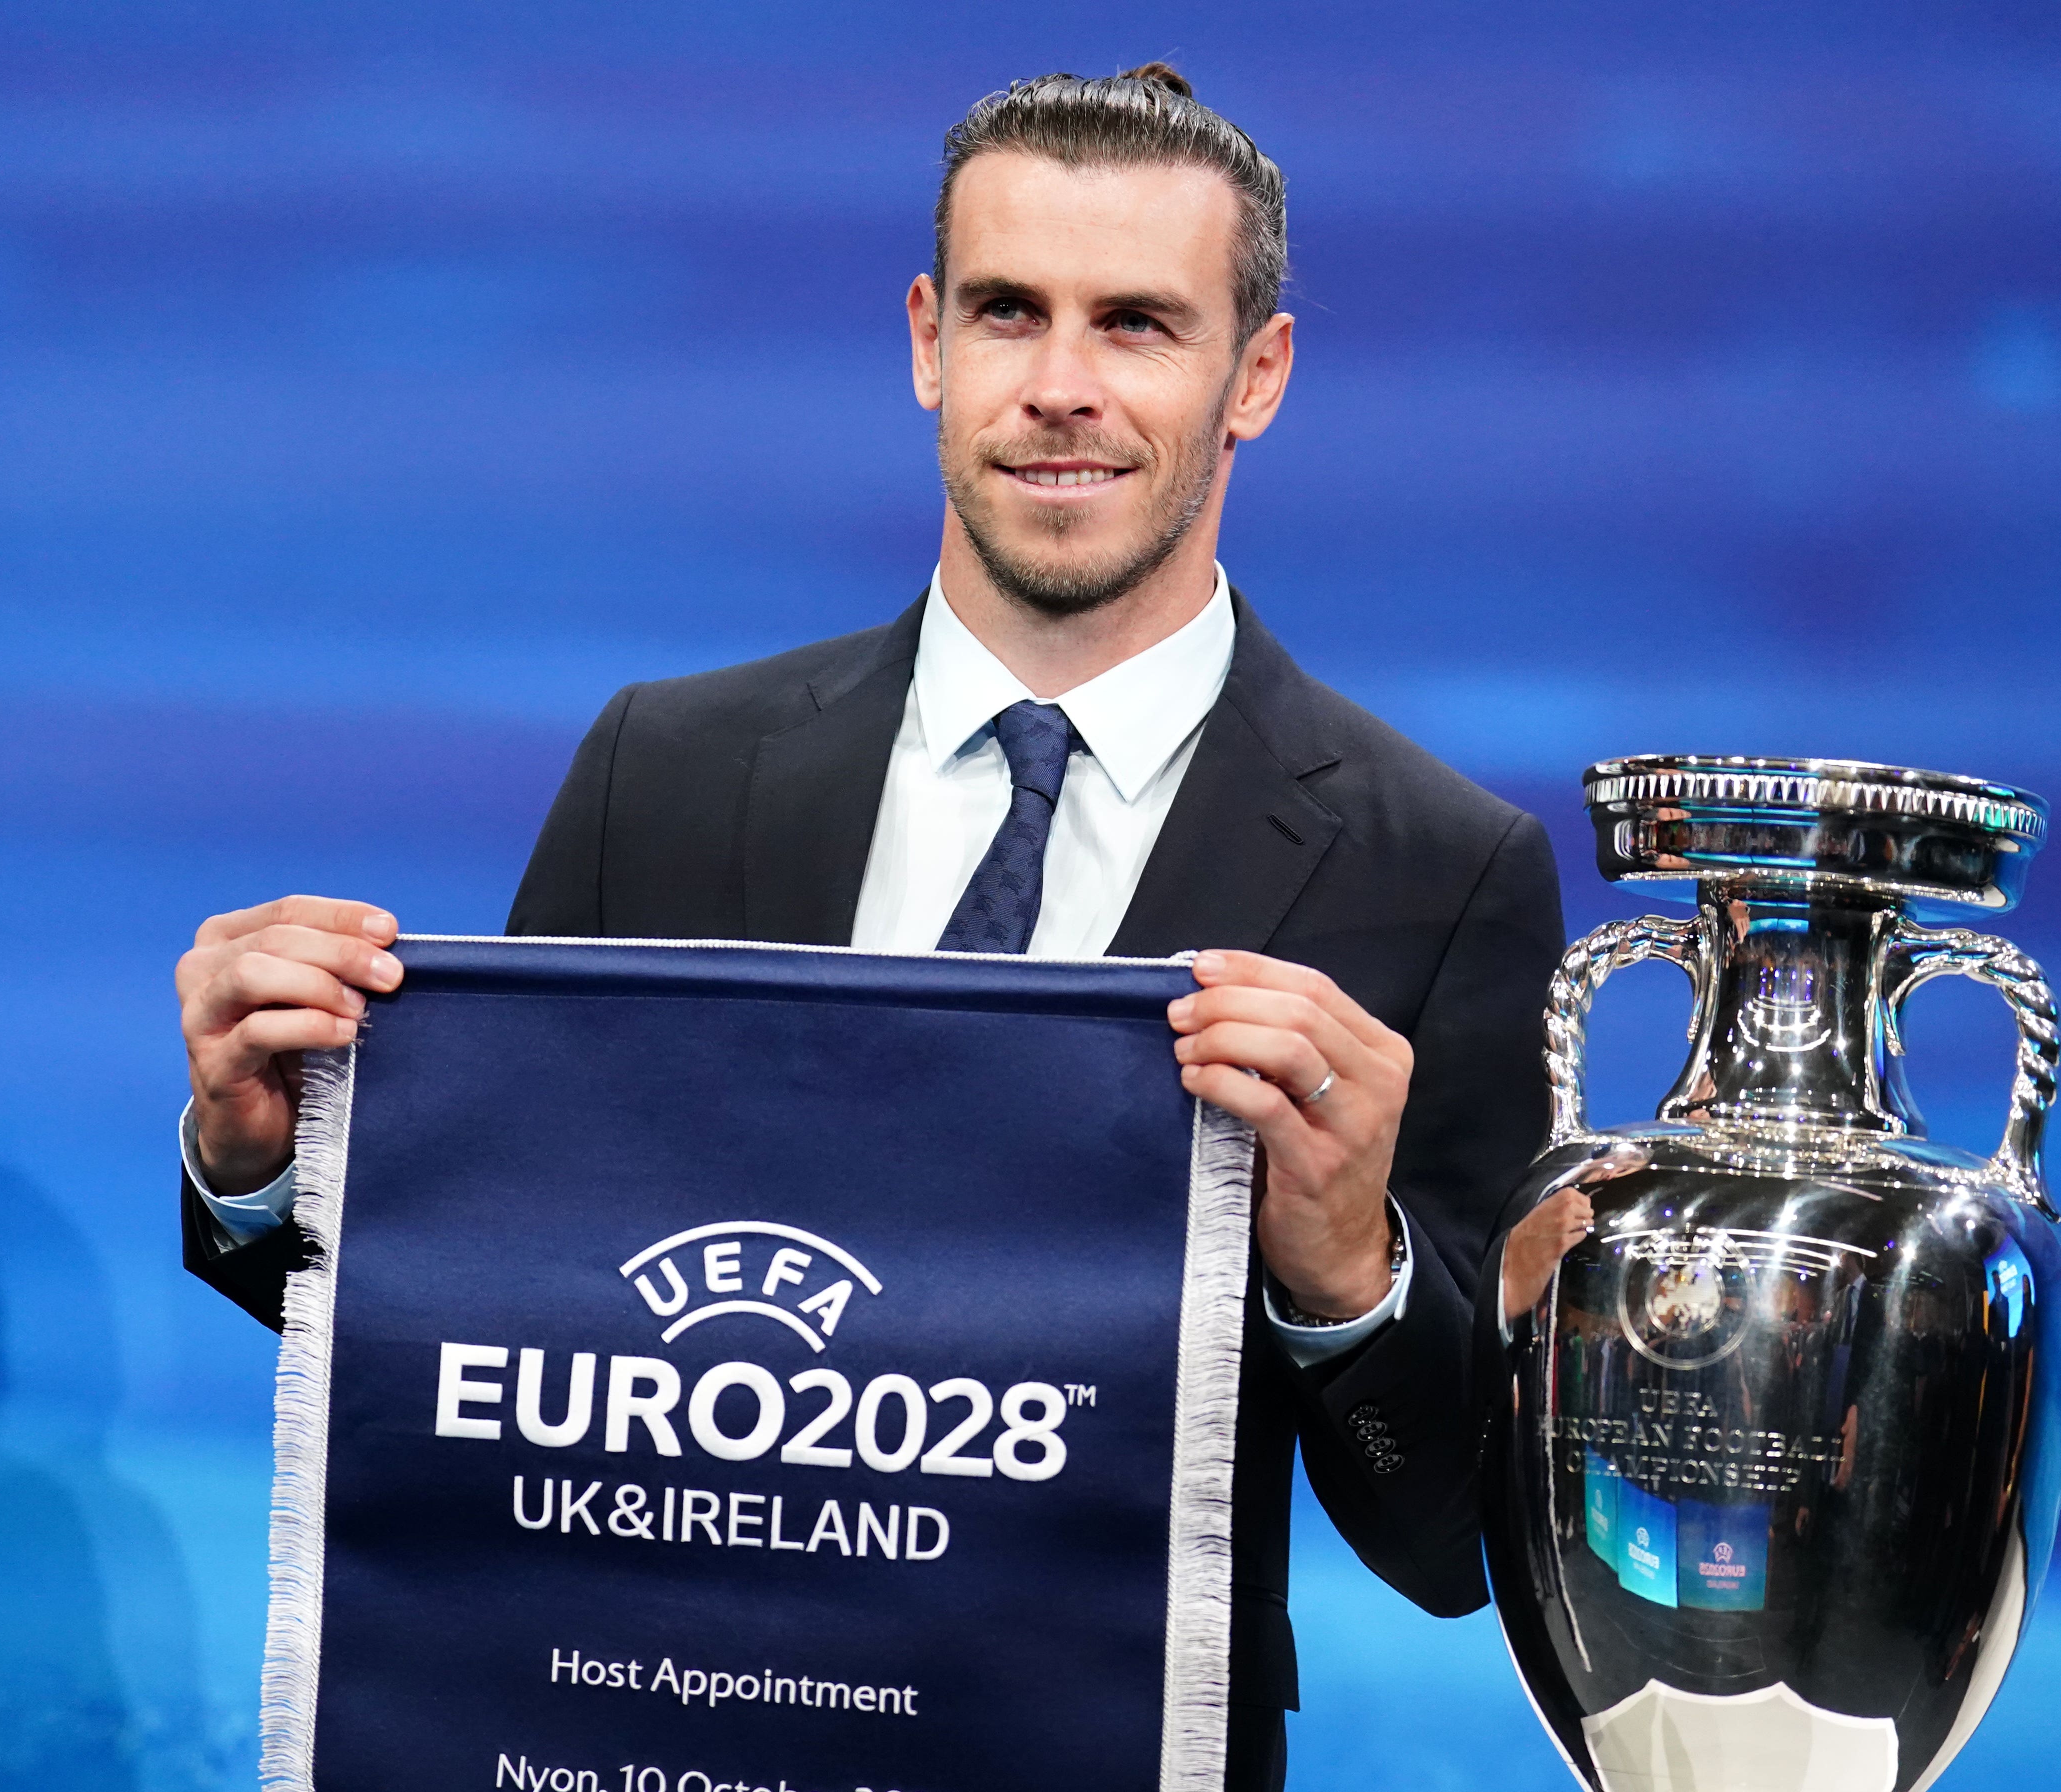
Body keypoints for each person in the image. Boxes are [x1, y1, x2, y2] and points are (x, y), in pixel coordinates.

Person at [171, 64, 1565, 1792]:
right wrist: (259, 1158)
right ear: (926, 341)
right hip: (639, 1733)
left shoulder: (1438, 868)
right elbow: (491, 1304)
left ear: (1254, 376)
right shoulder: (664, 772)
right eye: (1008, 313)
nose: (1061, 388)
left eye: (1137, 325)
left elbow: (1451, 1542)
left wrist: (1350, 1274)